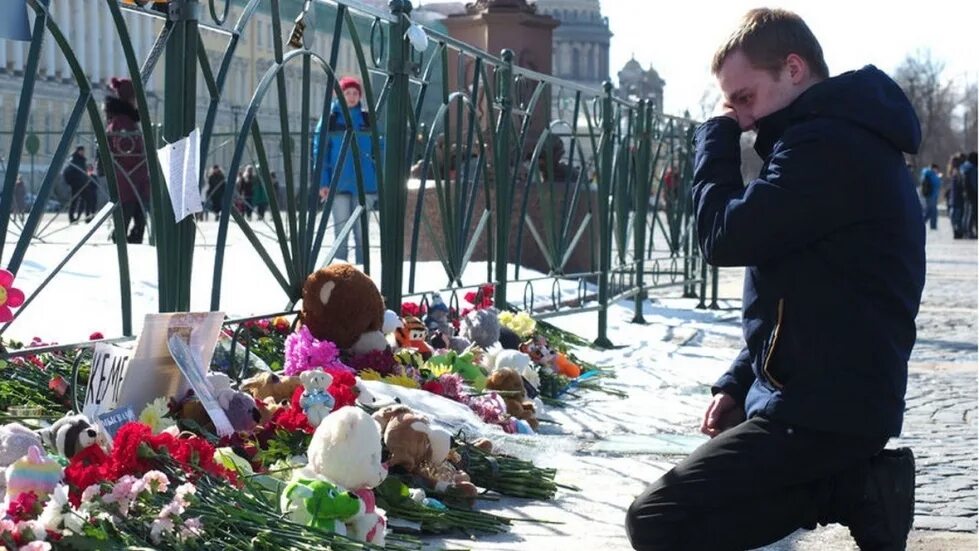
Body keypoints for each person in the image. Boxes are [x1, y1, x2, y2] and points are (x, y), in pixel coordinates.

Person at [625, 9, 924, 551]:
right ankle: (852, 487)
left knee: (658, 520)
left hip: (825, 410)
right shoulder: (828, 138)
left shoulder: (829, 147)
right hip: (824, 398)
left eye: (744, 98)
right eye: (730, 104)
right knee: (689, 514)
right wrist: (739, 381)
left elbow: (723, 238)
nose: (739, 117)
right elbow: (800, 293)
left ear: (793, 69)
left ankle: (850, 487)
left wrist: (712, 139)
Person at [312, 76, 379, 265]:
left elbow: (379, 148)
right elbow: (320, 151)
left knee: (361, 233)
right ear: (339, 94)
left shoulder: (367, 119)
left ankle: (362, 273)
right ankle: (340, 273)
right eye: (347, 93)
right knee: (340, 232)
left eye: (355, 93)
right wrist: (323, 182)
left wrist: (378, 177)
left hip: (364, 183)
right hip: (337, 183)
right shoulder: (331, 119)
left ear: (360, 96)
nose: (351, 97)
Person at [102, 77, 150, 244]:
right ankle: (121, 245)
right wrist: (141, 163)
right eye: (135, 98)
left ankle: (127, 242)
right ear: (130, 98)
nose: (137, 102)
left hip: (133, 178)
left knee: (139, 216)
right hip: (129, 179)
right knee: (128, 216)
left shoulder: (124, 120)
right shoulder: (122, 122)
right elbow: (125, 150)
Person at [63, 145, 87, 223]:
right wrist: (71, 182)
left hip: (82, 183)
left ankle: (78, 217)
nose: (83, 152)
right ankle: (71, 217)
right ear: (78, 151)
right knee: (74, 201)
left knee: (83, 201)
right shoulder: (73, 160)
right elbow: (68, 172)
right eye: (81, 151)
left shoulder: (83, 160)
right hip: (75, 184)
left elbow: (84, 171)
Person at [946, 153, 967, 238]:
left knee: (956, 216)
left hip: (956, 198)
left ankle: (958, 232)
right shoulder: (956, 172)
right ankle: (957, 232)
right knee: (955, 216)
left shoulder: (957, 172)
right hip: (955, 198)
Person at [919, 162, 942, 230]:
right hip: (931, 195)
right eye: (937, 169)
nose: (937, 170)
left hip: (930, 195)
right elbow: (936, 184)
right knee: (931, 211)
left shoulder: (927, 173)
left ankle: (931, 225)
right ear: (934, 168)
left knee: (931, 211)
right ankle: (926, 223)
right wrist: (939, 178)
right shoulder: (930, 174)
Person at [962, 151, 978, 239]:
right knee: (972, 213)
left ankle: (966, 231)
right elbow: (974, 183)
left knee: (967, 212)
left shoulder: (965, 167)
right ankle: (970, 232)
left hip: (966, 193)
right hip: (972, 193)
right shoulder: (972, 168)